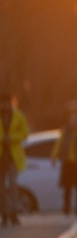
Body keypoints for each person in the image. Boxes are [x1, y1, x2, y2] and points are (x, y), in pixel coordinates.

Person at [51, 111, 77, 216]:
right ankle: (66, 207)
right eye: (73, 119)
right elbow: (59, 144)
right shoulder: (66, 131)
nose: (74, 121)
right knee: (67, 187)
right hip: (68, 163)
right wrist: (54, 156)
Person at [0, 93, 29, 226]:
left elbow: (25, 133)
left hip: (13, 157)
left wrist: (10, 138)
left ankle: (13, 214)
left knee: (12, 186)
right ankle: (4, 214)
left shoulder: (18, 116)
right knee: (1, 188)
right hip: (1, 157)